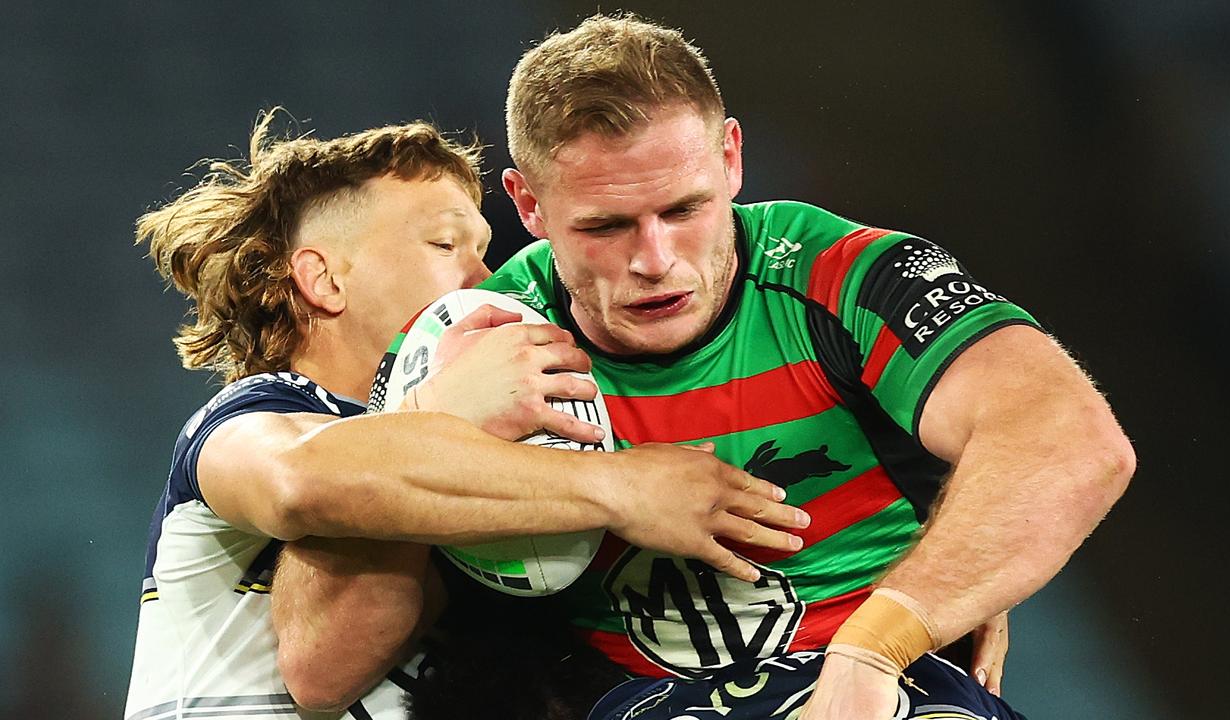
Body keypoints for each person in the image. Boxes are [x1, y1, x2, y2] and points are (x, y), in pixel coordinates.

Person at [479, 13, 1134, 719]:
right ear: (528, 205)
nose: (655, 259)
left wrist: (880, 643)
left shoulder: (843, 275)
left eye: (685, 208)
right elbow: (352, 486)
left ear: (731, 159)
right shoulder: (480, 331)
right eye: (606, 226)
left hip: (881, 684)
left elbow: (1073, 440)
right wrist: (607, 488)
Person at [121, 110, 807, 720]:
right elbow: (299, 484)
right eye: (446, 246)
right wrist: (623, 486)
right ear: (325, 278)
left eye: (484, 249)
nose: (486, 278)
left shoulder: (488, 457)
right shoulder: (252, 416)